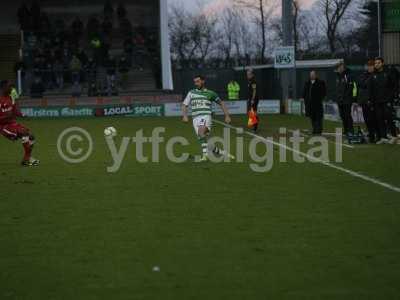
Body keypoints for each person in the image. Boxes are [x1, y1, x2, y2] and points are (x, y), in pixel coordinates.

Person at [182, 75, 234, 162]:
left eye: (198, 81)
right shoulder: (191, 93)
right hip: (195, 118)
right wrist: (184, 115)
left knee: (201, 132)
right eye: (195, 82)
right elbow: (184, 105)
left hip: (205, 116)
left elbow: (222, 103)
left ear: (203, 81)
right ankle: (221, 152)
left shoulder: (211, 93)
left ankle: (205, 156)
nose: (196, 83)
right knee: (202, 138)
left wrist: (227, 115)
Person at [0, 80, 39, 166]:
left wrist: (24, 115)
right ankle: (26, 160)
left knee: (31, 137)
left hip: (12, 123)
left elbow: (15, 111)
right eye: (9, 86)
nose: (11, 88)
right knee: (24, 134)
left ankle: (26, 159)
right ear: (3, 88)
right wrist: (6, 117)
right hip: (4, 127)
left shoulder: (10, 98)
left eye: (12, 86)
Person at [369, 57, 398, 144]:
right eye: (375, 63)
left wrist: (391, 97)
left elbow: (394, 86)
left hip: (387, 101)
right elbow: (371, 89)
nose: (376, 64)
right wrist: (371, 100)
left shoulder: (388, 73)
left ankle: (394, 136)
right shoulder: (373, 75)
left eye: (378, 63)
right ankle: (383, 137)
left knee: (389, 118)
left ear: (382, 63)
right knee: (379, 119)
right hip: (377, 102)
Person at [357, 60, 377, 143]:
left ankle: (376, 135)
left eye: (371, 65)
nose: (369, 67)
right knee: (367, 119)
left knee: (373, 119)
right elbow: (361, 83)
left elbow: (366, 85)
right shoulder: (364, 74)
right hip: (364, 101)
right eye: (368, 66)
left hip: (373, 101)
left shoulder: (375, 75)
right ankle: (371, 135)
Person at [336, 62, 357, 136]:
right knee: (342, 116)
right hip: (340, 100)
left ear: (342, 68)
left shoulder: (349, 76)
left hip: (347, 100)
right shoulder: (338, 76)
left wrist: (353, 99)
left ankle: (351, 130)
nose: (337, 69)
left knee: (347, 115)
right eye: (337, 67)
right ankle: (346, 130)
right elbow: (338, 89)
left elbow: (353, 87)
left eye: (338, 67)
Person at [303, 71, 327, 135]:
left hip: (317, 104)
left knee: (318, 118)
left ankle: (319, 130)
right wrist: (304, 99)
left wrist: (320, 99)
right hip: (309, 104)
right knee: (312, 117)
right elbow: (304, 92)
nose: (312, 76)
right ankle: (314, 129)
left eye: (313, 75)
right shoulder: (307, 83)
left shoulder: (321, 82)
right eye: (311, 75)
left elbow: (324, 92)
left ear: (316, 75)